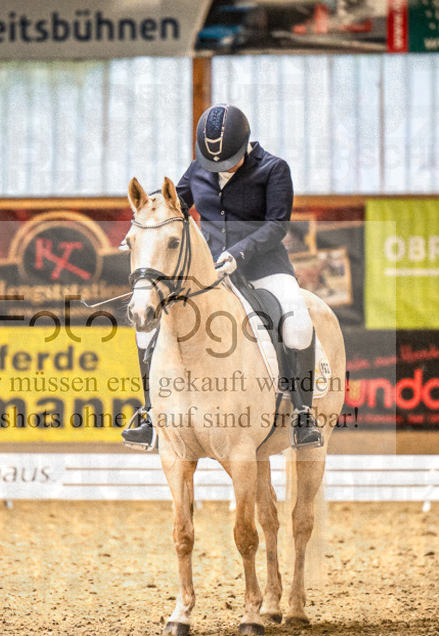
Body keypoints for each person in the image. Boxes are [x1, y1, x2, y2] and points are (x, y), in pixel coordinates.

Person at [122, 103, 322, 450]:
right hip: (210, 272)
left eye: (227, 163)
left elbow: (277, 225)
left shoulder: (274, 169)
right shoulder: (199, 169)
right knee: (148, 327)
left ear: (244, 145)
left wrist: (239, 253)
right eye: (213, 164)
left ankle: (302, 413)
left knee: (298, 325)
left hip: (264, 268)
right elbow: (172, 207)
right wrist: (144, 229)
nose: (219, 170)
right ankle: (150, 412)